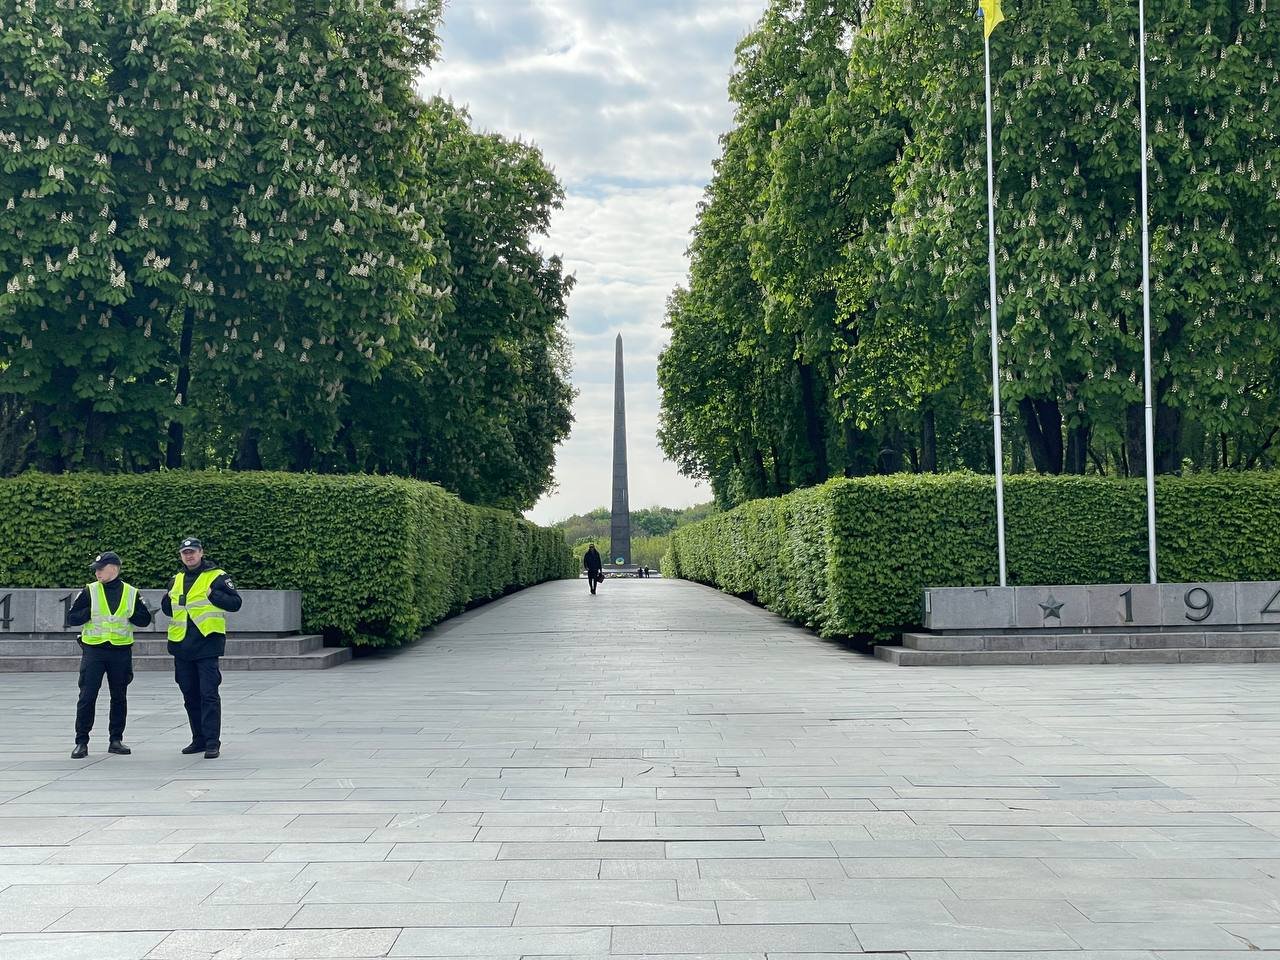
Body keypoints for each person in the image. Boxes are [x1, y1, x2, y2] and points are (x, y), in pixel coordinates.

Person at [161, 537, 242, 759]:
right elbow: (169, 609)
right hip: (181, 645)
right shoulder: (175, 579)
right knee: (189, 695)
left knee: (208, 695)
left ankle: (212, 742)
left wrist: (213, 595)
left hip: (207, 644)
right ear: (180, 555)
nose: (189, 556)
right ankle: (197, 739)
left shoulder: (217, 576)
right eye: (185, 552)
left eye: (193, 552)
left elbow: (235, 603)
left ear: (201, 552)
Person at [67, 551, 153, 759]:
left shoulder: (132, 592)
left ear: (114, 568)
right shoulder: (89, 591)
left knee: (119, 697)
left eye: (100, 569)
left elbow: (145, 620)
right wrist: (86, 613)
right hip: (94, 650)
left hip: (120, 651)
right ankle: (81, 741)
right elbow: (72, 618)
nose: (97, 573)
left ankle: (116, 739)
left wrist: (133, 613)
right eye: (96, 569)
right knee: (87, 696)